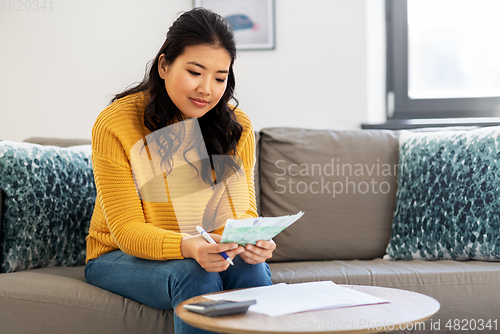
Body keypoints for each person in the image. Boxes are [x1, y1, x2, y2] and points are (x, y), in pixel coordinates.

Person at [84, 7, 275, 334]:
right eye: (195, 72)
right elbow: (127, 230)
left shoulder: (235, 127)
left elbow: (241, 210)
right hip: (116, 255)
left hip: (202, 248)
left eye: (220, 77)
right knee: (194, 272)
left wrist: (249, 239)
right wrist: (190, 246)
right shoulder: (117, 123)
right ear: (164, 65)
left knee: (251, 268)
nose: (207, 89)